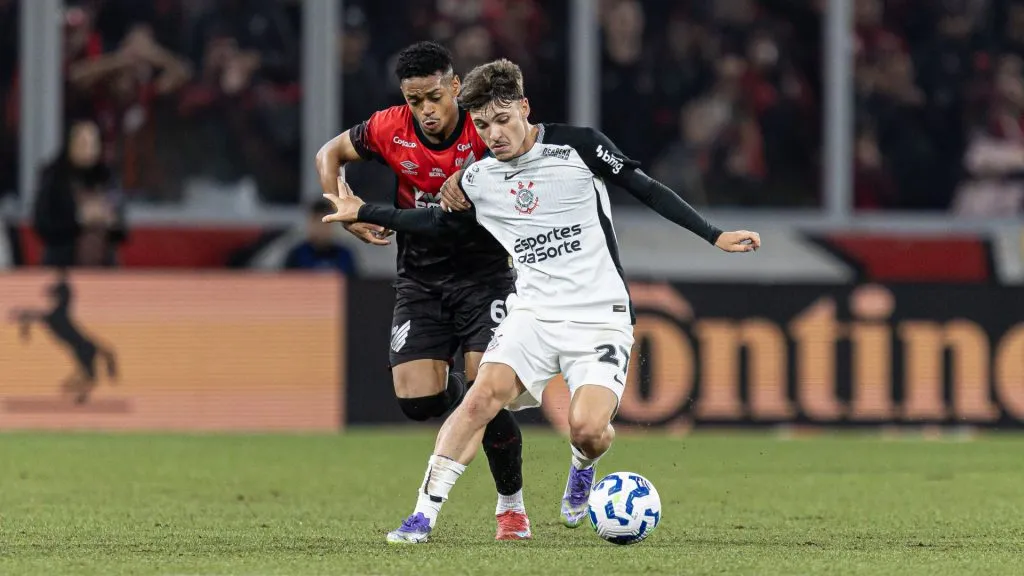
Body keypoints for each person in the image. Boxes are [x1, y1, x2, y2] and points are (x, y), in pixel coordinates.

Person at [321, 58, 761, 544]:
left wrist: (714, 235)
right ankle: (422, 516)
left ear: (524, 108)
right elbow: (437, 225)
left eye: (504, 119)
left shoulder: (579, 147)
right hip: (530, 314)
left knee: (588, 429)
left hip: (599, 318)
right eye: (484, 126)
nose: (495, 135)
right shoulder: (477, 179)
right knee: (478, 399)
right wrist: (364, 210)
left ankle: (582, 464)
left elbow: (648, 189)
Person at [313, 42, 531, 540]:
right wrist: (341, 204)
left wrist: (476, 175)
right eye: (414, 100)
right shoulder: (390, 128)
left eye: (434, 96)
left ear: (455, 87)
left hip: (485, 276)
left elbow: (524, 157)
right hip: (421, 278)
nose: (425, 110)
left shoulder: (485, 129)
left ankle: (511, 506)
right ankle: (464, 397)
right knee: (417, 399)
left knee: (485, 391)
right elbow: (330, 153)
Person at [283, 199, 359, 275]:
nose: (321, 227)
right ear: (310, 224)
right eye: (317, 222)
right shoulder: (297, 255)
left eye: (326, 223)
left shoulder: (344, 256)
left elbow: (355, 284)